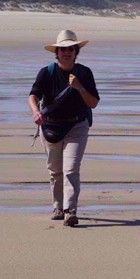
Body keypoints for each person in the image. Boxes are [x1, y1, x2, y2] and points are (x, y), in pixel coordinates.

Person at [28, 30, 100, 226]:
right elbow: (33, 95)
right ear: (57, 52)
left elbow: (93, 103)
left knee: (71, 169)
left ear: (76, 52)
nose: (66, 53)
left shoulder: (84, 73)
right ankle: (58, 207)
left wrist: (79, 87)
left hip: (77, 125)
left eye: (70, 49)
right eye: (62, 49)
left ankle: (70, 211)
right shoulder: (47, 72)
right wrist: (35, 112)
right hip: (50, 127)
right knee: (55, 171)